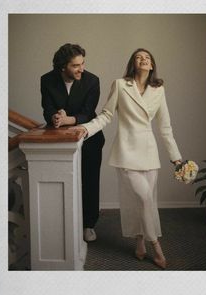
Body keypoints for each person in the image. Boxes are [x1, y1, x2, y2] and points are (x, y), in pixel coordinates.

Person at [72, 48, 182, 269]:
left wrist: (176, 159)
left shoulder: (158, 89)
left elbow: (165, 127)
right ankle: (156, 246)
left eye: (147, 58)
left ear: (151, 66)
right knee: (144, 200)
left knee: (145, 200)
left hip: (149, 154)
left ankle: (140, 243)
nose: (143, 59)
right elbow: (106, 115)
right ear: (133, 63)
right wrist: (85, 128)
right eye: (138, 57)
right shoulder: (121, 85)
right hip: (126, 153)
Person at [41, 43, 105, 242]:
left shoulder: (92, 81)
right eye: (76, 66)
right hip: (59, 141)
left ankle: (88, 225)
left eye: (83, 64)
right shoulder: (47, 80)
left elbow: (88, 111)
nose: (81, 69)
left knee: (89, 180)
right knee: (61, 182)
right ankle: (63, 223)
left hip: (90, 139)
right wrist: (54, 118)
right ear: (62, 67)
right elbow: (47, 107)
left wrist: (69, 119)